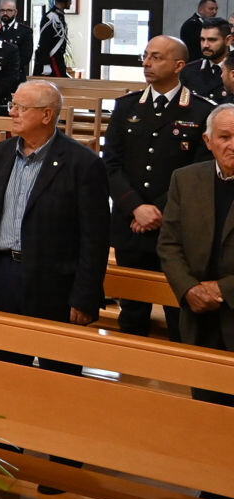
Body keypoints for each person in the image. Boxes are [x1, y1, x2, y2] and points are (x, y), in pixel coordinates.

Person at [0, 79, 106, 404]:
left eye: (20, 107)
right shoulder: (1, 154)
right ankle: (5, 443)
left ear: (46, 115)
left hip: (53, 281)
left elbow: (94, 238)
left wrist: (84, 298)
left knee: (59, 375)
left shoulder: (83, 163)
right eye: (12, 105)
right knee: (5, 370)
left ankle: (59, 450)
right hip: (1, 277)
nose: (12, 112)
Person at [103, 35, 212, 340]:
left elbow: (199, 173)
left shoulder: (201, 112)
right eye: (146, 56)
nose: (147, 63)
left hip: (176, 227)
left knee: (179, 311)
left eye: (157, 57)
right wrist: (136, 207)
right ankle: (128, 377)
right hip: (130, 222)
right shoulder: (126, 107)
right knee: (132, 309)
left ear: (179, 65)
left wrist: (158, 211)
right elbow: (111, 164)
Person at [157, 102, 234, 408]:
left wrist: (222, 289)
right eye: (225, 137)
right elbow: (168, 243)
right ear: (208, 141)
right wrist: (189, 288)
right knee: (204, 409)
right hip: (198, 316)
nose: (232, 146)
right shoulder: (185, 179)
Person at [181, 19, 230, 99]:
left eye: (212, 40)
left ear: (228, 40)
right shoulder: (188, 71)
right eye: (202, 39)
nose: (205, 45)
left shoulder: (231, 69)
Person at [36, 0, 73, 77]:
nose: (70, 3)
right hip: (51, 60)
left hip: (57, 60)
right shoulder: (51, 17)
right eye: (69, 0)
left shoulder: (59, 15)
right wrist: (46, 64)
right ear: (65, 1)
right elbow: (44, 42)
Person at [0, 0, 35, 77]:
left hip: (15, 75)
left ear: (15, 12)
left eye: (9, 10)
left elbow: (26, 57)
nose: (5, 13)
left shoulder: (25, 31)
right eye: (2, 10)